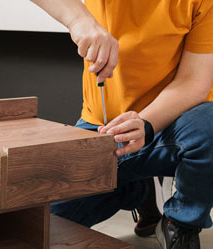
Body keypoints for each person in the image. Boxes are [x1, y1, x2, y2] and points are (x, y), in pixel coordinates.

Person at [31, 1, 213, 248]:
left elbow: (193, 80)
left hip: (173, 122)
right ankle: (140, 190)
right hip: (104, 128)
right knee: (39, 224)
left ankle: (181, 223)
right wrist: (79, 21)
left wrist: (146, 123)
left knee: (209, 127)